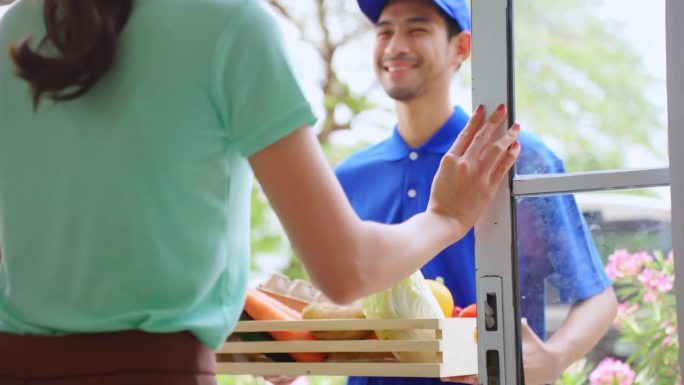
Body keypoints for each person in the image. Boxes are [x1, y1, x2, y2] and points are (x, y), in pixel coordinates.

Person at [0, 0, 520, 384]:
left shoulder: (18, 26)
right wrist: (448, 215)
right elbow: (346, 272)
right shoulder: (228, 24)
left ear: (461, 49)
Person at [334, 0, 618, 384]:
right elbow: (340, 304)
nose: (395, 45)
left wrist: (553, 358)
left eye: (417, 30)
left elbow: (598, 298)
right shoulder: (350, 176)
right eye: (384, 31)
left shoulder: (516, 158)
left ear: (462, 48)